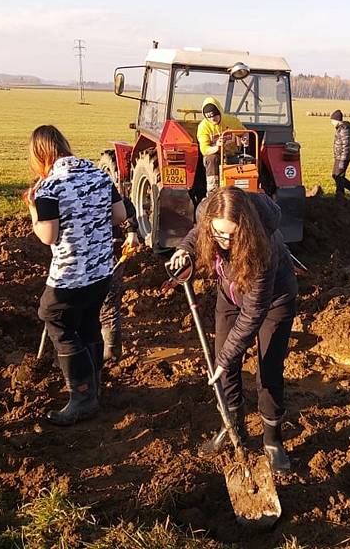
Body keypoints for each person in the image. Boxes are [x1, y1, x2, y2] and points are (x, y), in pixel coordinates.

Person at [170, 187, 298, 473]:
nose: (225, 241)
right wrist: (184, 250)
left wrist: (226, 357)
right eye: (219, 233)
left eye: (233, 234)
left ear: (247, 227)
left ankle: (272, 439)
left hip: (274, 301)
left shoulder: (261, 248)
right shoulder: (208, 217)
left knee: (269, 369)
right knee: (223, 366)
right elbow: (198, 233)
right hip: (230, 295)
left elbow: (253, 314)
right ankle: (233, 429)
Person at [24, 125, 126, 426]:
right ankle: (94, 386)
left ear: (40, 155)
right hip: (102, 271)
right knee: (87, 324)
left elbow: (48, 235)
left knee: (54, 318)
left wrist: (33, 210)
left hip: (70, 276)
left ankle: (82, 397)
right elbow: (119, 216)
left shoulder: (49, 187)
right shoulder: (98, 174)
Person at [100, 199, 140, 362]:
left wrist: (131, 232)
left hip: (107, 248)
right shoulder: (99, 181)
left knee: (107, 301)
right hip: (85, 252)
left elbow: (126, 206)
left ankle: (110, 352)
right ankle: (109, 351)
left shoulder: (98, 183)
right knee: (107, 302)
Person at [196, 97, 246, 194]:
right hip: (216, 156)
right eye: (209, 117)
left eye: (215, 115)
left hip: (232, 154)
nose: (212, 118)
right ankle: (213, 191)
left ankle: (243, 191)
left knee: (248, 161)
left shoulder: (231, 121)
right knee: (212, 159)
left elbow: (244, 132)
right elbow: (204, 149)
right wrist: (217, 147)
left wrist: (245, 138)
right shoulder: (203, 127)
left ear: (219, 111)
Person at [330, 109, 350, 199]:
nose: (331, 123)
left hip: (343, 157)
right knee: (336, 175)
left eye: (332, 121)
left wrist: (342, 160)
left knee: (338, 176)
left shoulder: (344, 129)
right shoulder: (341, 128)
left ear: (337, 120)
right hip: (339, 156)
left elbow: (346, 145)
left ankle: (340, 195)